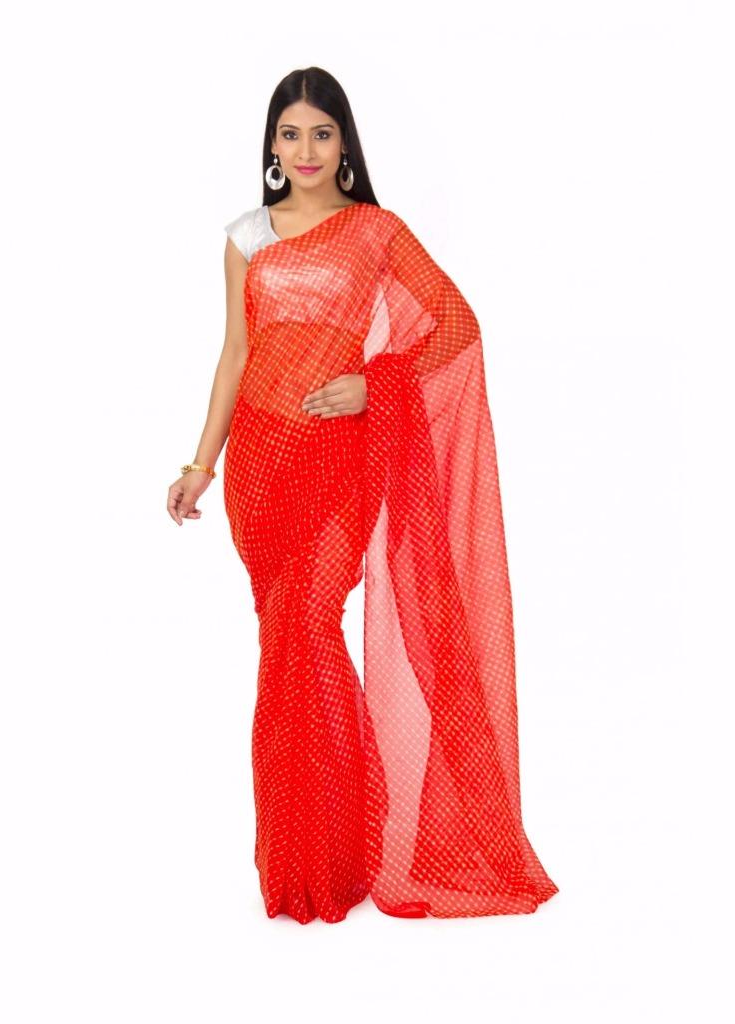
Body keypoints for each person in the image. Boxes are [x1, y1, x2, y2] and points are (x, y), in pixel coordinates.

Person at [167, 66, 559, 925]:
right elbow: (234, 355)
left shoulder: (377, 231)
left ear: (344, 142)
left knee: (309, 628)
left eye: (322, 133)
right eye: (290, 134)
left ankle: (341, 851)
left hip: (341, 463)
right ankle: (306, 859)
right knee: (286, 645)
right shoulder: (246, 235)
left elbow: (457, 326)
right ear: (272, 145)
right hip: (261, 466)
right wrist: (200, 464)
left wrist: (375, 387)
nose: (305, 150)